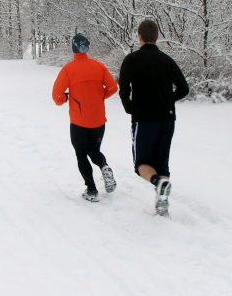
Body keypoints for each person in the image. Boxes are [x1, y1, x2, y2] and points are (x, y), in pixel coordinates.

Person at [118, 19, 189, 216]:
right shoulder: (167, 61)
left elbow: (123, 89)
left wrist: (130, 108)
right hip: (167, 119)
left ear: (139, 36)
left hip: (144, 119)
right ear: (156, 37)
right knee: (162, 161)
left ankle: (158, 184)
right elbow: (184, 89)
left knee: (141, 164)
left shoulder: (131, 60)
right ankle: (162, 201)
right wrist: (167, 100)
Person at [52, 33, 119, 202]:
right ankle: (104, 166)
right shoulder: (99, 66)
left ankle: (91, 190)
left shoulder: (68, 69)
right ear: (87, 47)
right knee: (94, 151)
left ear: (74, 48)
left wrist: (67, 98)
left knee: (81, 155)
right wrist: (98, 97)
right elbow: (112, 87)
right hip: (98, 121)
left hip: (79, 122)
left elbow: (57, 97)